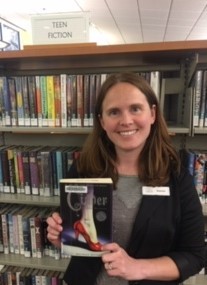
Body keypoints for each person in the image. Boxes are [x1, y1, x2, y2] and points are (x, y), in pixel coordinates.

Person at [47, 72, 205, 285]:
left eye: (135, 109)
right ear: (102, 121)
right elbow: (79, 238)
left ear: (152, 114)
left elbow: (194, 256)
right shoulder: (84, 168)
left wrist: (137, 268)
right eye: (114, 112)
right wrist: (61, 238)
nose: (126, 120)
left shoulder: (176, 176)